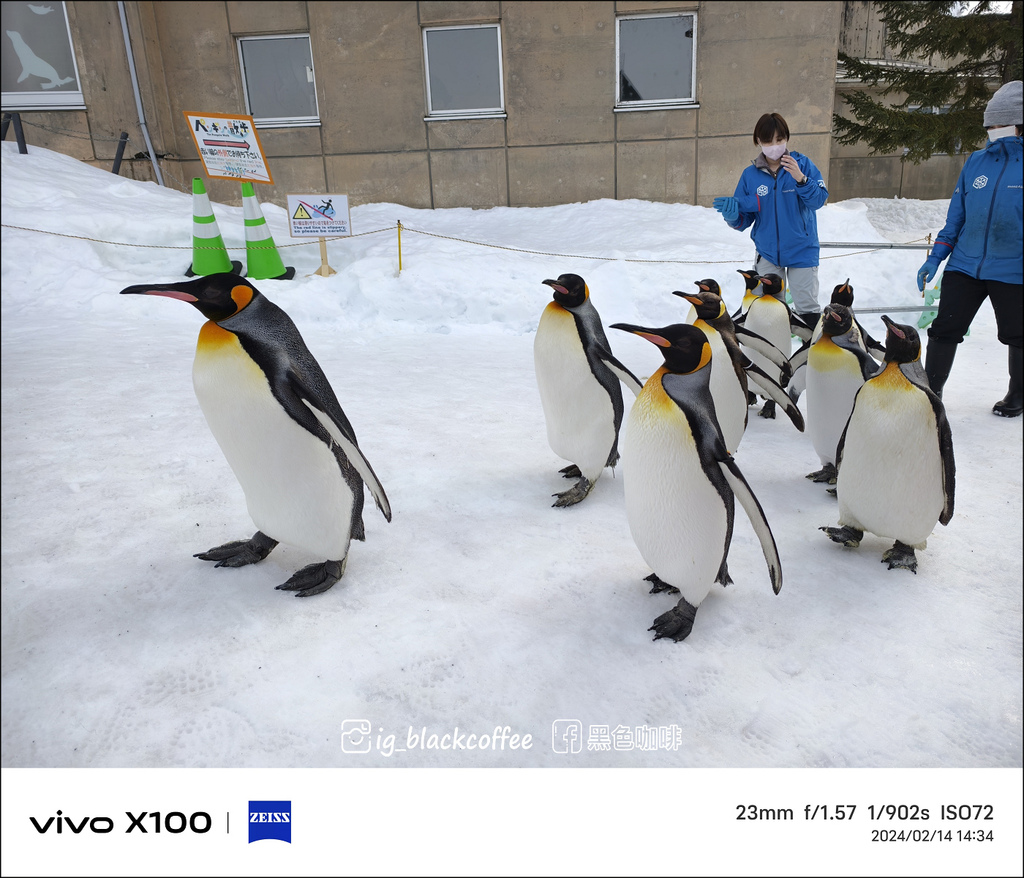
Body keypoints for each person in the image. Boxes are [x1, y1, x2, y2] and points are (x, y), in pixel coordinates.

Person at [918, 80, 1023, 418]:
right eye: (991, 124)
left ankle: (1017, 394)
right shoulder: (976, 162)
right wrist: (936, 258)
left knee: (1017, 334)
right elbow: (957, 218)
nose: (994, 130)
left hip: (1013, 268)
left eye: (1001, 124)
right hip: (965, 264)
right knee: (944, 328)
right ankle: (931, 393)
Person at [713, 112, 830, 331]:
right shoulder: (750, 175)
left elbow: (819, 200)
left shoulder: (802, 164)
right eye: (768, 141)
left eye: (779, 139)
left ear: (786, 138)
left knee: (807, 307)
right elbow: (743, 220)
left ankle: (809, 360)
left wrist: (800, 178)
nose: (774, 146)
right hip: (767, 253)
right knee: (769, 310)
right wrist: (732, 215)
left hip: (802, 251)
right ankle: (774, 359)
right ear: (758, 141)